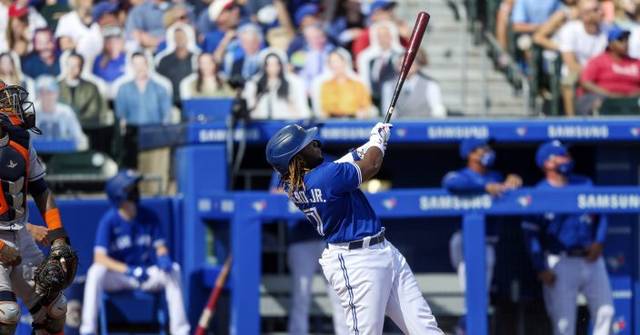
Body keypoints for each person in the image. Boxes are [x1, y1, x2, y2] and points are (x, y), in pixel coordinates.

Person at [265, 123, 443, 334]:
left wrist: (371, 142)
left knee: (426, 328)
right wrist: (378, 142)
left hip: (382, 250)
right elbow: (372, 164)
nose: (316, 143)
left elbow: (343, 162)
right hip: (357, 262)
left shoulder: (293, 182)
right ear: (298, 158)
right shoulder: (326, 178)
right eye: (309, 144)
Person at [0, 79, 77, 334]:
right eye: (4, 102)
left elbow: (40, 189)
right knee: (7, 313)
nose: (13, 108)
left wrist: (57, 237)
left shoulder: (20, 140)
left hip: (19, 232)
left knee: (55, 309)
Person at [80, 170, 190, 335]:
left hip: (145, 274)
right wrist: (128, 270)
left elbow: (160, 246)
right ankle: (88, 330)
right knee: (95, 272)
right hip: (121, 276)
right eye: (130, 189)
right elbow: (100, 258)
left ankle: (181, 331)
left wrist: (163, 257)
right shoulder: (109, 220)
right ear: (119, 195)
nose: (136, 192)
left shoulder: (149, 216)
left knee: (174, 270)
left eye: (135, 187)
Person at [522, 141, 614, 335]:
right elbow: (530, 235)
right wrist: (540, 267)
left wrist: (599, 241)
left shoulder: (585, 183)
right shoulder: (539, 192)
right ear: (547, 163)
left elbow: (602, 215)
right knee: (564, 323)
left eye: (567, 155)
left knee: (606, 311)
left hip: (591, 258)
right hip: (560, 260)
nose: (567, 159)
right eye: (561, 155)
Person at [442, 138, 522, 334]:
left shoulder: (495, 175)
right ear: (470, 154)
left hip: (487, 242)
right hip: (466, 240)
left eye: (487, 149)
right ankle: (465, 329)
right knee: (474, 294)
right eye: (481, 150)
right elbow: (450, 183)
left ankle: (463, 328)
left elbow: (508, 186)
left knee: (478, 296)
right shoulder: (463, 175)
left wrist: (513, 180)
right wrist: (485, 188)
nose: (487, 153)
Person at [555, 0, 607, 115]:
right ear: (584, 14)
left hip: (600, 74)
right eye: (595, 10)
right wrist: (590, 77)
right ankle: (572, 121)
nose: (600, 12)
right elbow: (570, 63)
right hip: (577, 73)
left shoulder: (606, 30)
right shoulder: (570, 29)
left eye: (598, 9)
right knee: (568, 82)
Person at [578, 25, 640, 114]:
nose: (625, 43)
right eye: (620, 40)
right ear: (611, 44)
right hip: (605, 99)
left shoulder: (636, 62)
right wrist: (608, 94)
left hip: (633, 100)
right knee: (597, 102)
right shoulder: (598, 61)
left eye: (626, 40)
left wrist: (634, 94)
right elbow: (585, 82)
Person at [58, 52, 111, 153]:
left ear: (81, 67)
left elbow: (94, 111)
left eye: (76, 65)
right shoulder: (57, 87)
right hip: (62, 131)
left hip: (87, 129)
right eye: (70, 65)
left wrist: (75, 122)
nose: (72, 69)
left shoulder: (91, 88)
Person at [243, 50, 310, 120]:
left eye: (276, 64)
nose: (273, 68)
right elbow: (250, 106)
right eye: (269, 65)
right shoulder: (254, 82)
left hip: (285, 122)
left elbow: (301, 107)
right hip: (260, 123)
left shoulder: (294, 82)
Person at [381, 49, 446, 118]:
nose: (406, 67)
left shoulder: (431, 85)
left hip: (423, 125)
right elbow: (387, 112)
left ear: (417, 65)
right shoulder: (388, 86)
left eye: (410, 64)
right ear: (397, 66)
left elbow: (437, 110)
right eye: (401, 64)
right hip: (400, 126)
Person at [315, 48, 373, 118]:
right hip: (332, 121)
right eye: (332, 62)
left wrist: (363, 113)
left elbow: (366, 106)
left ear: (344, 62)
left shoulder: (358, 84)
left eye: (337, 61)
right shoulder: (325, 86)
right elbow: (323, 108)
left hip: (353, 120)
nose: (335, 65)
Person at [34, 75, 89, 150]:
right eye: (42, 93)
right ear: (38, 95)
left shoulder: (66, 112)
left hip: (61, 155)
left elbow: (79, 137)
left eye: (49, 92)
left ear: (56, 94)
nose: (46, 96)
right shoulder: (30, 112)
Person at [54, 0, 103, 72]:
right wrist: (82, 43)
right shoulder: (67, 19)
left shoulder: (97, 20)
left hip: (96, 62)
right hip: (76, 62)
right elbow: (64, 45)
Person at [156, 24, 199, 104]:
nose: (179, 39)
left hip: (193, 100)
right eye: (177, 37)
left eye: (182, 36)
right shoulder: (164, 60)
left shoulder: (197, 58)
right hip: (171, 101)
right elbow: (160, 82)